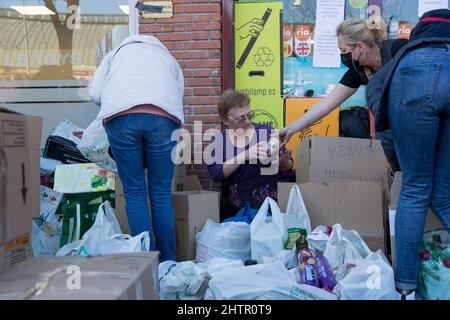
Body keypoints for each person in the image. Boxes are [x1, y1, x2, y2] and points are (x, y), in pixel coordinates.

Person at [367, 9, 450, 300]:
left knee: (415, 188)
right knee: (444, 193)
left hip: (414, 77)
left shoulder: (409, 53)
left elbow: (384, 115)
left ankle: (405, 288)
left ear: (417, 34)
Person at [89, 35, 184, 261]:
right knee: (161, 194)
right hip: (164, 118)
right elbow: (178, 94)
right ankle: (168, 261)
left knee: (134, 194)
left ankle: (145, 262)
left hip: (121, 118)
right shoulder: (167, 57)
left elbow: (94, 93)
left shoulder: (114, 55)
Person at [280, 19, 407, 172]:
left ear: (359, 47)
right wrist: (291, 129)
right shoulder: (358, 71)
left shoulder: (398, 50)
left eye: (344, 51)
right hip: (392, 135)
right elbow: (326, 104)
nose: (342, 56)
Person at [207, 90, 294, 221]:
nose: (247, 121)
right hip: (239, 208)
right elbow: (216, 174)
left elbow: (287, 168)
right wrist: (245, 155)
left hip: (271, 204)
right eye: (241, 118)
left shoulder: (267, 132)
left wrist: (285, 163)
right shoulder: (220, 141)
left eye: (249, 115)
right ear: (225, 120)